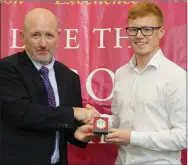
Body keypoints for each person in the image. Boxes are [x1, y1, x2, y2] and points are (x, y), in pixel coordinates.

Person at [0, 8, 98, 165]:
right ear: (22, 36)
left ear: (58, 36)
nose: (43, 44)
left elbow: (63, 124)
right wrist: (74, 112)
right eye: (35, 35)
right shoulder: (6, 68)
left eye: (49, 35)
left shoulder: (69, 77)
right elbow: (22, 113)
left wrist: (78, 134)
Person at [97, 2, 186, 164]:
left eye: (147, 29)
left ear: (161, 32)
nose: (139, 36)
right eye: (133, 29)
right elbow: (119, 119)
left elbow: (183, 136)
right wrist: (97, 120)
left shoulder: (177, 77)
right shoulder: (121, 73)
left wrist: (133, 138)